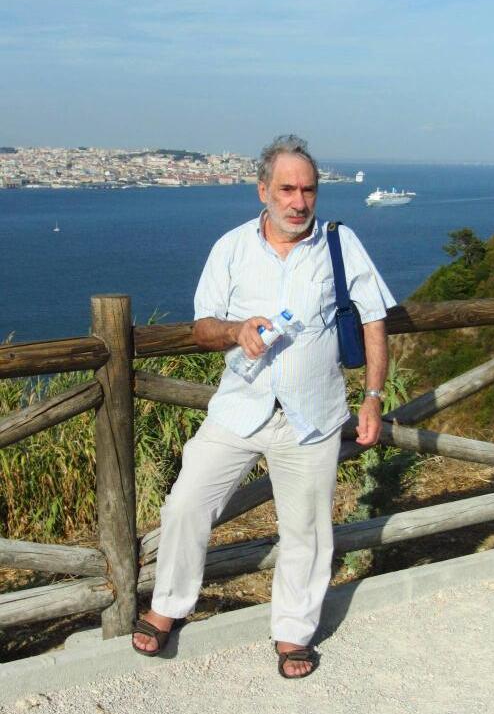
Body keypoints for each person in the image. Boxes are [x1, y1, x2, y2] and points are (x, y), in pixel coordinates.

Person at [132, 135, 396, 678]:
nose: (299, 202)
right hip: (239, 409)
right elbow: (202, 327)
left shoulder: (339, 244)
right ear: (263, 191)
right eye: (287, 190)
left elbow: (373, 318)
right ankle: (168, 606)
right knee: (185, 505)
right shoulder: (231, 247)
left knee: (307, 529)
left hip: (312, 415)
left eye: (308, 190)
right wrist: (235, 330)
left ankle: (294, 632)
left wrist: (372, 398)